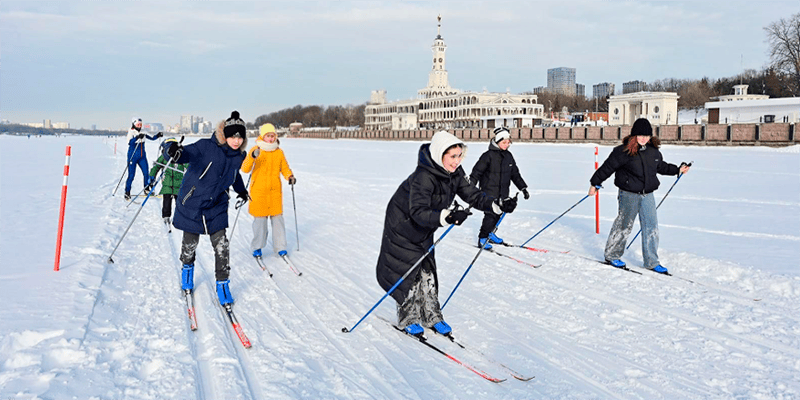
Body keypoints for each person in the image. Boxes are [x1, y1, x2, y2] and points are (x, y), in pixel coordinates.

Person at [375, 130, 518, 336]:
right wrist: (447, 216)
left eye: (460, 155)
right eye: (452, 156)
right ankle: (408, 317)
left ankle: (432, 315)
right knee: (409, 270)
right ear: (440, 154)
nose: (457, 161)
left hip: (424, 225)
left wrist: (497, 204)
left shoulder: (455, 173)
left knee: (427, 269)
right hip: (403, 225)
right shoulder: (424, 177)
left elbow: (473, 195)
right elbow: (418, 211)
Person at [164, 111, 249, 306]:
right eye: (232, 136)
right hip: (193, 203)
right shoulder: (205, 146)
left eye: (240, 136)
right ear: (225, 134)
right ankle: (187, 272)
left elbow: (234, 175)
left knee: (222, 247)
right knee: (189, 244)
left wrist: (241, 191)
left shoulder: (238, 156)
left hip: (216, 206)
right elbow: (184, 153)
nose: (236, 141)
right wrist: (172, 149)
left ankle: (222, 284)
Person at [588, 118, 690, 274]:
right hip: (628, 194)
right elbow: (607, 168)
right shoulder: (623, 151)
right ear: (634, 135)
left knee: (651, 227)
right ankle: (612, 255)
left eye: (647, 136)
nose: (643, 138)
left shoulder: (653, 151)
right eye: (640, 135)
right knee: (624, 225)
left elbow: (660, 166)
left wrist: (677, 170)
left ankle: (651, 261)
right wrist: (595, 183)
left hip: (647, 195)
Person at [241, 123, 296, 259]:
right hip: (259, 193)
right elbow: (245, 168)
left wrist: (290, 176)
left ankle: (281, 247)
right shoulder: (256, 149)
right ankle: (257, 248)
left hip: (274, 193)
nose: (271, 139)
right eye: (268, 136)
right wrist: (252, 156)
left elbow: (284, 167)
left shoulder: (279, 152)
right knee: (260, 224)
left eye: (273, 136)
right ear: (262, 136)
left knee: (278, 221)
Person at [469, 127, 529, 250]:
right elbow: (476, 173)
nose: (507, 145)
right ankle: (483, 238)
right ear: (497, 142)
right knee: (490, 215)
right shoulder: (487, 156)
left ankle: (490, 234)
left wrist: (523, 187)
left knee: (499, 213)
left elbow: (515, 174)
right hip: (488, 192)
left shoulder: (508, 156)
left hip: (503, 192)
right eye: (504, 142)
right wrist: (470, 187)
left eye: (508, 142)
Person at [148, 137, 188, 226]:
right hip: (167, 183)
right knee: (167, 202)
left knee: (180, 202)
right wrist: (152, 176)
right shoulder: (164, 157)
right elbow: (156, 167)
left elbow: (188, 165)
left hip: (179, 184)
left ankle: (180, 217)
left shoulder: (180, 156)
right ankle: (166, 216)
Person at [124, 117, 162, 200]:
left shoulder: (143, 132)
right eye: (138, 124)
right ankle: (127, 192)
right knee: (131, 175)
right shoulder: (131, 132)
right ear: (134, 124)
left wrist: (157, 135)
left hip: (142, 157)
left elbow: (151, 138)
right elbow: (129, 142)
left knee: (146, 173)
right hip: (132, 157)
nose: (139, 126)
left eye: (140, 124)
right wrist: (137, 137)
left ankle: (146, 188)